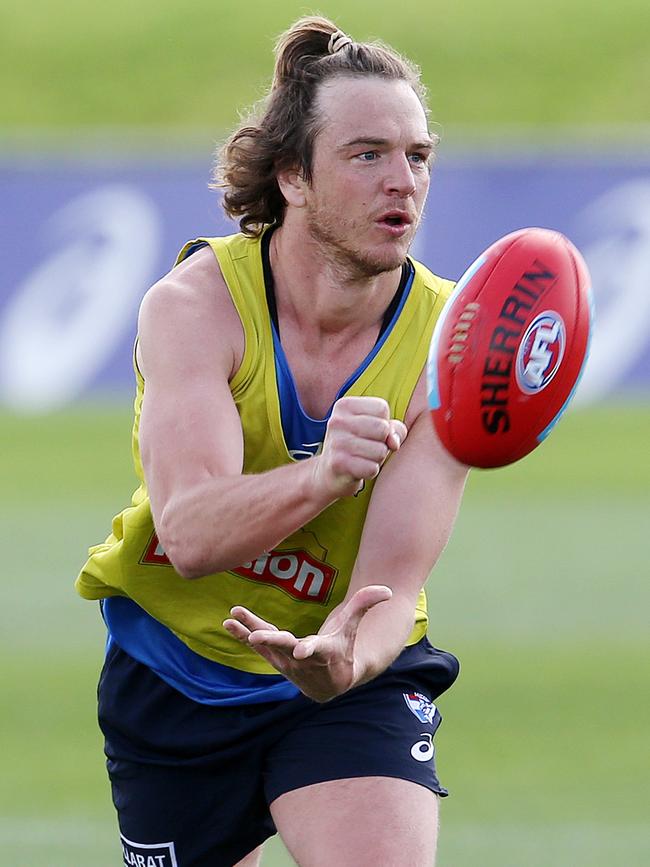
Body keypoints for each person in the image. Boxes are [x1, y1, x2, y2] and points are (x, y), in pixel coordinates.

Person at [76, 16, 469, 867]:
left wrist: (347, 660)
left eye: (418, 156)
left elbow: (394, 584)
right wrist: (327, 473)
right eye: (367, 155)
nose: (401, 180)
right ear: (293, 175)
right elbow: (190, 536)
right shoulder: (194, 305)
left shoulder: (450, 340)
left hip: (345, 678)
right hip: (174, 672)